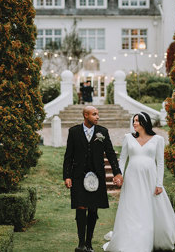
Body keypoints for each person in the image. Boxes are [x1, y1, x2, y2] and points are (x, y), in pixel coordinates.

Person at [103, 112, 175, 252]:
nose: (134, 123)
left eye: (137, 121)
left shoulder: (158, 139)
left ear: (145, 122)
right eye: (134, 121)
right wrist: (119, 176)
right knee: (132, 207)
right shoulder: (128, 138)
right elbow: (123, 159)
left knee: (149, 207)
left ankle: (151, 237)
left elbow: (160, 163)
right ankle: (131, 239)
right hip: (132, 178)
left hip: (150, 178)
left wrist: (159, 184)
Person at [63, 106, 124, 252]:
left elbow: (110, 153)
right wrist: (67, 176)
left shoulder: (102, 132)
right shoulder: (74, 132)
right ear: (86, 115)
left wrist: (117, 172)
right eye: (94, 114)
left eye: (98, 114)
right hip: (78, 176)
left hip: (97, 177)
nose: (97, 117)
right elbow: (68, 156)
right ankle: (81, 243)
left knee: (92, 208)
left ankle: (89, 244)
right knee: (80, 207)